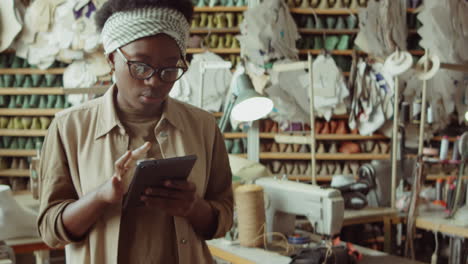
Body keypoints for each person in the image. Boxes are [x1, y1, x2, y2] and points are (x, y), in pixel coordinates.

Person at [37, 0, 233, 263]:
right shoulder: (69, 128)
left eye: (170, 68)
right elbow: (51, 231)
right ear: (111, 59)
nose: (154, 81)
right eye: (140, 66)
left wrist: (193, 207)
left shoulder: (203, 127)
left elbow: (224, 218)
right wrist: (102, 197)